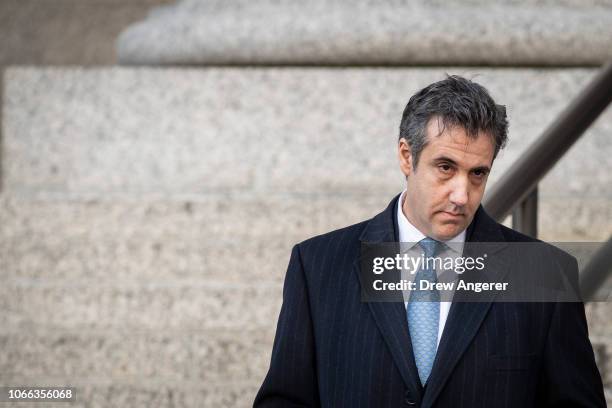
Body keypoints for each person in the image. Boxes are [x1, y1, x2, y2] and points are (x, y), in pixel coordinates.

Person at [253, 76, 606, 407]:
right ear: (407, 156)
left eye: (477, 173)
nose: (461, 195)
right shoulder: (317, 265)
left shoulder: (543, 274)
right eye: (446, 167)